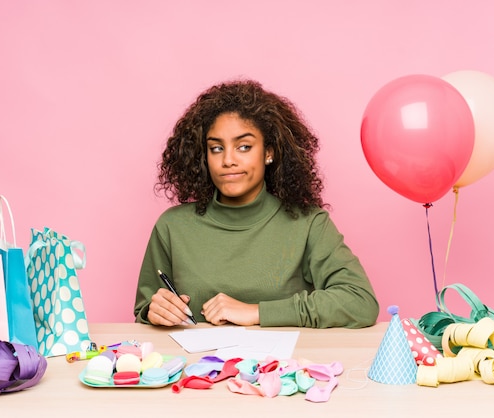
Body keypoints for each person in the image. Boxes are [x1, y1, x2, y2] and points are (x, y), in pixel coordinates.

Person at [134, 79, 379, 328]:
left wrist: (257, 313)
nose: (228, 160)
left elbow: (360, 302)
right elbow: (143, 309)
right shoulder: (172, 227)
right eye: (216, 148)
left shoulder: (309, 224)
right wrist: (154, 311)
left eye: (244, 146)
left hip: (283, 366)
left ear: (268, 153)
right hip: (196, 366)